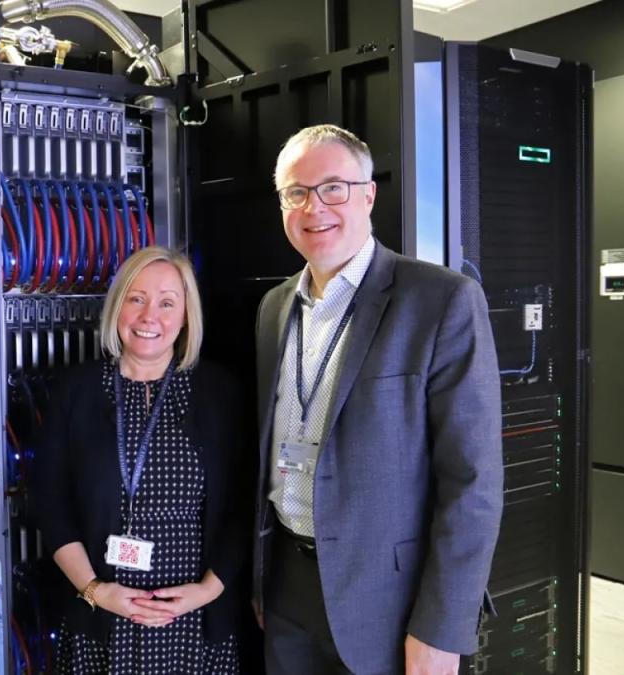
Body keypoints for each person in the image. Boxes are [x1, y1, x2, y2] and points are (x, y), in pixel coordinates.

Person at [251, 124, 503, 675]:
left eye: (333, 188)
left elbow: (473, 484)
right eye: (296, 192)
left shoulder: (441, 301)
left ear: (368, 194)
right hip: (287, 586)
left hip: (389, 601)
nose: (314, 207)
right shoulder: (273, 307)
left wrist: (441, 629)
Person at [34, 246, 251, 674]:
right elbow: (50, 502)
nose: (150, 315)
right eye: (137, 299)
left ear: (187, 315)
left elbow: (244, 505)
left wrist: (206, 592)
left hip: (194, 622)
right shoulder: (74, 391)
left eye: (167, 303)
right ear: (117, 308)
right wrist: (94, 590)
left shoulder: (220, 393)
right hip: (100, 620)